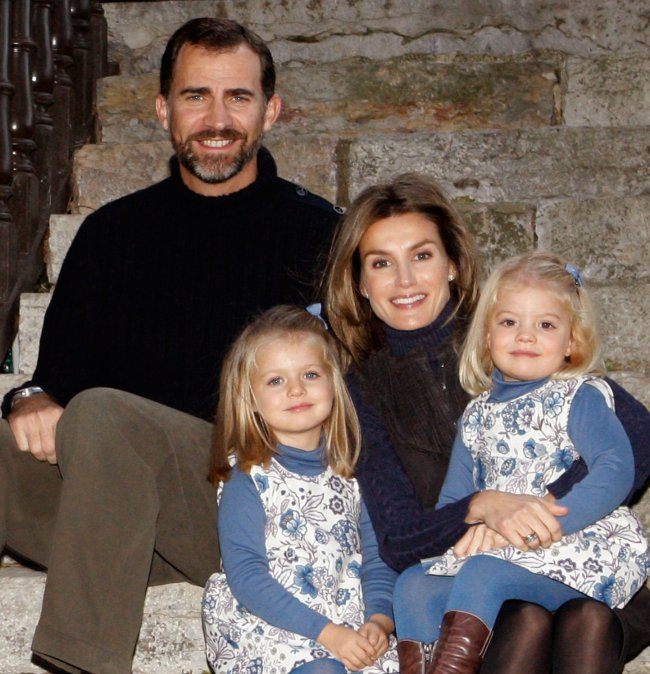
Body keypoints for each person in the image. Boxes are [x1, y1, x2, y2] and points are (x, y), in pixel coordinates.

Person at [0, 18, 338, 674]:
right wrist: (30, 396)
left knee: (104, 414)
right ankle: (119, 552)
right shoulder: (110, 235)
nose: (217, 118)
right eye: (195, 96)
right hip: (117, 511)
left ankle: (83, 662)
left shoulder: (319, 235)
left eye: (237, 97)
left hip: (253, 514)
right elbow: (55, 382)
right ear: (162, 110)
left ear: (271, 110)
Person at [322, 173, 650, 674]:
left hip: (572, 557)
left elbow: (635, 439)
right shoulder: (359, 388)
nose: (405, 280)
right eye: (382, 263)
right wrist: (481, 507)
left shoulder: (514, 326)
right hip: (472, 575)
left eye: (422, 256)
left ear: (453, 264)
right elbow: (399, 538)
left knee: (583, 617)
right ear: (361, 283)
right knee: (516, 616)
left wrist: (528, 514)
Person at [392, 252, 649, 674]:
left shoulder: (578, 395)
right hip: (503, 552)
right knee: (412, 585)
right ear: (487, 336)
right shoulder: (476, 416)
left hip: (576, 544)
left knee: (483, 575)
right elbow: (455, 501)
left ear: (571, 342)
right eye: (509, 322)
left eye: (545, 325)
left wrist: (540, 522)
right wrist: (474, 529)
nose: (525, 336)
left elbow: (615, 468)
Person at [202, 305, 398, 674]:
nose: (296, 389)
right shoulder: (248, 478)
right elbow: (246, 576)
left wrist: (379, 620)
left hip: (348, 622)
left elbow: (378, 558)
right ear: (251, 399)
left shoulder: (356, 475)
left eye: (310, 374)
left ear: (333, 383)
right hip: (274, 625)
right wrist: (326, 634)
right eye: (275, 381)